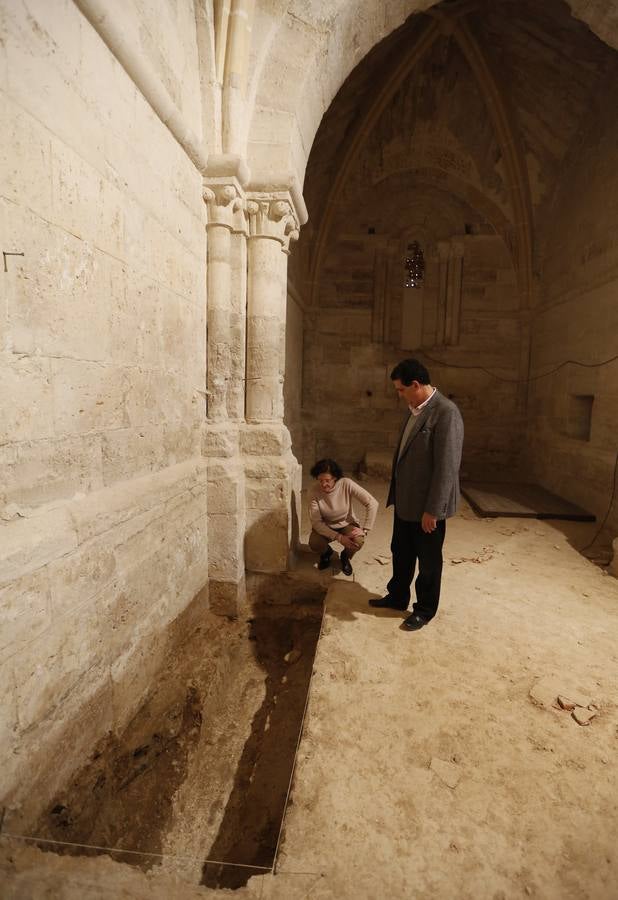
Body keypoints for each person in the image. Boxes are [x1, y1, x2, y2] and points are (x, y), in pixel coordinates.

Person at [370, 358, 464, 631]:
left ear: (415, 385)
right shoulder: (415, 409)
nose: (399, 395)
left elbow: (447, 467)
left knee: (428, 561)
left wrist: (433, 509)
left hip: (426, 506)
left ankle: (424, 610)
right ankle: (397, 596)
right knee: (401, 551)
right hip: (406, 500)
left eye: (401, 389)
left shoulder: (446, 412)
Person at [309, 458, 378, 576]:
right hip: (326, 525)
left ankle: (345, 557)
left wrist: (365, 529)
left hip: (346, 523)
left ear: (335, 477)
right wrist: (339, 537)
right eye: (320, 480)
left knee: (358, 541)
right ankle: (326, 553)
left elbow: (372, 503)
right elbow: (316, 522)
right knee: (315, 543)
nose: (323, 484)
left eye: (327, 480)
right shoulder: (313, 491)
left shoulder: (346, 483)